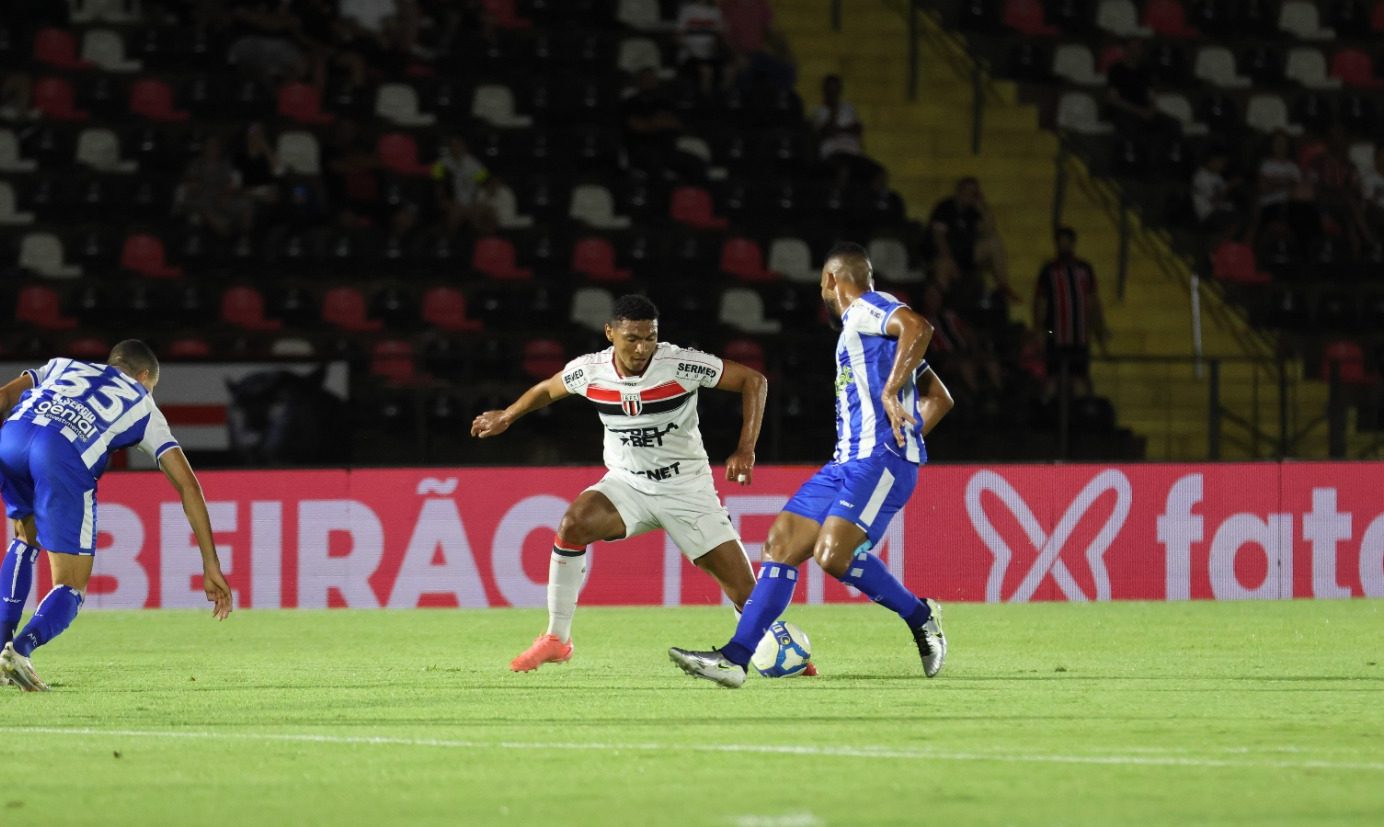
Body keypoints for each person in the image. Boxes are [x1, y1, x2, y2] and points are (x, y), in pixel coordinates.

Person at [668, 243, 953, 688]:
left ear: (830, 281)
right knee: (780, 544)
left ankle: (921, 616)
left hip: (878, 460)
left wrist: (892, 398)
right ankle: (735, 658)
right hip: (845, 463)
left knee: (833, 556)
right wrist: (907, 420)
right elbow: (940, 396)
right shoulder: (874, 342)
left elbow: (920, 325)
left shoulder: (866, 309)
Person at [470, 295, 768, 673]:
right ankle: (556, 639)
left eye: (650, 338)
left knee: (747, 594)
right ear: (610, 333)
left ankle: (788, 653)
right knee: (573, 523)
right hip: (627, 485)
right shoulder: (590, 371)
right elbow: (548, 388)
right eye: (632, 338)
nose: (642, 348)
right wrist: (508, 416)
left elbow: (753, 381)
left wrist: (746, 449)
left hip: (686, 489)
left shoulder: (681, 364)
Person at [0, 340, 232, 691]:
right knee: (71, 586)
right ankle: (19, 651)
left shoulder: (62, 365)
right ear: (143, 377)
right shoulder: (143, 402)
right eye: (151, 387)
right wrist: (211, 564)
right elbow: (188, 487)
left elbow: (4, 398)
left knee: (24, 538)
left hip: (12, 436)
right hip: (61, 453)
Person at [1033, 227, 1109, 401]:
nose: (1063, 246)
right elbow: (1041, 302)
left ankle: (1078, 418)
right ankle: (1048, 416)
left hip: (1079, 336)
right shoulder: (1049, 271)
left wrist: (1100, 329)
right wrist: (1040, 331)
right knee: (1052, 378)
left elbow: (1092, 302)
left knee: (1079, 379)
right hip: (1055, 334)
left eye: (1066, 242)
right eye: (1060, 242)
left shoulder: (1084, 269)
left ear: (1073, 244)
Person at [927, 177, 1017, 315]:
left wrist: (982, 209)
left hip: (966, 255)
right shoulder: (946, 207)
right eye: (968, 192)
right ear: (959, 191)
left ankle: (1002, 285)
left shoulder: (973, 212)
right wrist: (949, 258)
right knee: (943, 268)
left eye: (974, 193)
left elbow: (989, 231)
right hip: (945, 256)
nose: (970, 196)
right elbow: (939, 237)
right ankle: (937, 312)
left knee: (994, 243)